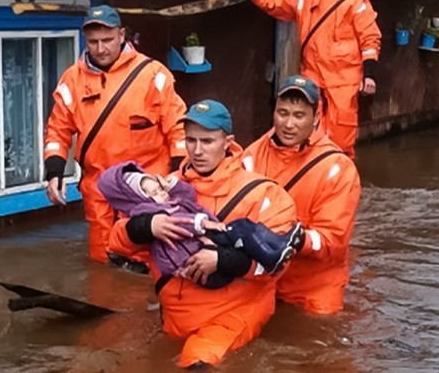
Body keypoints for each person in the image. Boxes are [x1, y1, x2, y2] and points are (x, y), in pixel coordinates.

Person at [108, 99, 298, 369]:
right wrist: (147, 226)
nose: (197, 150)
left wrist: (222, 260)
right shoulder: (166, 187)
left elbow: (277, 266)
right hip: (173, 317)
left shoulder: (264, 194)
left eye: (207, 141)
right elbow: (116, 245)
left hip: (232, 314)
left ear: (228, 143)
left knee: (197, 361)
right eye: (191, 141)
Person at [43, 5, 187, 263]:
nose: (101, 48)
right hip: (98, 186)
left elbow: (178, 127)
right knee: (101, 260)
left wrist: (178, 173)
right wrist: (54, 174)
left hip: (146, 185)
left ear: (122, 36)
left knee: (148, 259)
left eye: (107, 40)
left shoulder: (153, 75)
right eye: (94, 42)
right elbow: (57, 130)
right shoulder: (72, 80)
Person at [228, 0, 382, 159]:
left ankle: (339, 179)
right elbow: (274, 1)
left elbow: (370, 39)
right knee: (305, 134)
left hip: (343, 84)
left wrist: (370, 73)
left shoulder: (356, 1)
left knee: (341, 140)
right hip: (312, 79)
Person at [243, 75, 361, 315]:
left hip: (314, 285)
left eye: (299, 115)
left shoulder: (337, 169)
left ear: (316, 119)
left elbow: (334, 241)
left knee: (317, 341)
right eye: (282, 113)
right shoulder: (251, 155)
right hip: (261, 276)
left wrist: (296, 240)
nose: (288, 124)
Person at [98, 161, 305, 286]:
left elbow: (187, 196)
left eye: (207, 140)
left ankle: (278, 245)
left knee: (244, 229)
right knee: (241, 229)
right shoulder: (148, 212)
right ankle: (273, 255)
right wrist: (204, 224)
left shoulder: (169, 194)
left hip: (212, 272)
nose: (160, 194)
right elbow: (181, 222)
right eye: (153, 193)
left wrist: (171, 186)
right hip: (198, 268)